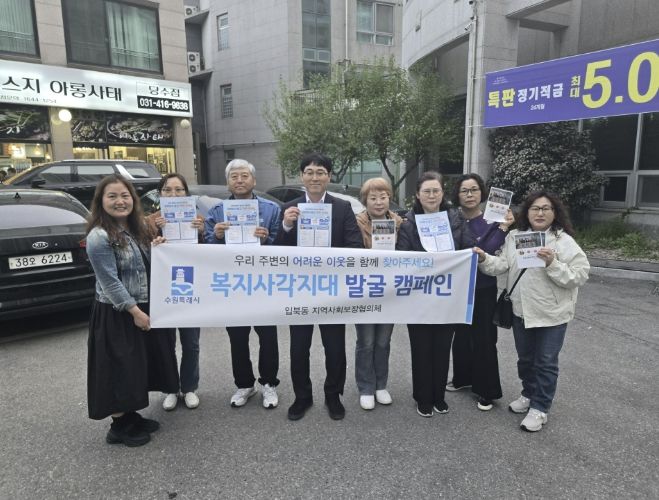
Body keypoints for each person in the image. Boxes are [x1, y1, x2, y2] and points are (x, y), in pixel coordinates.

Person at [474, 191, 589, 432]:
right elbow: (502, 265)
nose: (540, 213)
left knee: (545, 362)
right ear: (526, 212)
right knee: (525, 359)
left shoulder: (563, 241)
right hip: (521, 311)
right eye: (535, 208)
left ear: (555, 213)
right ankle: (528, 393)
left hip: (552, 314)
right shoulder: (515, 237)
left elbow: (579, 275)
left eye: (546, 208)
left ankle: (540, 407)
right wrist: (484, 259)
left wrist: (553, 263)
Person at [86, 175, 176, 447]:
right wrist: (135, 312)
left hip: (140, 305)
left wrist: (157, 249)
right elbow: (110, 282)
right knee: (117, 367)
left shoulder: (137, 228)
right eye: (112, 196)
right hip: (117, 312)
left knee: (133, 367)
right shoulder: (99, 236)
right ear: (101, 201)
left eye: (125, 195)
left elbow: (143, 266)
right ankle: (118, 426)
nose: (120, 201)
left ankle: (130, 415)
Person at [274, 153, 363, 421]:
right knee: (298, 348)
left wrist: (329, 260)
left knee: (334, 348)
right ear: (302, 176)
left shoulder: (342, 207)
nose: (315, 177)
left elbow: (355, 245)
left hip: (331, 288)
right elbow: (277, 252)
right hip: (300, 288)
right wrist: (287, 225)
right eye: (310, 172)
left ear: (329, 176)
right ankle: (302, 397)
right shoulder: (289, 208)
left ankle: (333, 395)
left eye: (320, 172)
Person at [204, 159, 283, 409]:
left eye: (244, 176)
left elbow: (283, 246)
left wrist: (267, 238)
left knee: (268, 336)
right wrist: (216, 236)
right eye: (234, 176)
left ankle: (269, 383)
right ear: (228, 182)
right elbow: (206, 247)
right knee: (237, 338)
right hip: (233, 284)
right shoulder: (217, 211)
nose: (239, 180)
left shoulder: (271, 209)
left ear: (254, 180)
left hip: (263, 283)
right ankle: (244, 384)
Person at [396, 171, 472, 418]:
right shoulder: (408, 223)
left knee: (442, 347)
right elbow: (402, 256)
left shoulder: (456, 219)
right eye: (426, 191)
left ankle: (438, 395)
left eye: (436, 190)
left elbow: (467, 248)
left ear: (442, 193)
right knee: (421, 348)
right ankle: (422, 397)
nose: (431, 195)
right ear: (418, 195)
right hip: (418, 296)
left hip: (447, 294)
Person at [447, 174, 515, 411]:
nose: (469, 195)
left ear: (482, 193)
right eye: (464, 190)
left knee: (484, 339)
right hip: (456, 288)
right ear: (457, 195)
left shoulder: (494, 220)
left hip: (483, 287)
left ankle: (487, 390)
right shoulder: (451, 220)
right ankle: (462, 378)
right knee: (460, 336)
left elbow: (485, 251)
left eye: (474, 190)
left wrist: (503, 227)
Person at [146, 173, 204, 411]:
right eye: (168, 190)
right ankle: (170, 387)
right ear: (160, 194)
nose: (173, 194)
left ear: (186, 193)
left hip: (190, 288)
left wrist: (201, 232)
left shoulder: (198, 219)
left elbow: (210, 254)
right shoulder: (150, 221)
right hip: (163, 290)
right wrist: (155, 238)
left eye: (179, 190)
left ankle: (189, 387)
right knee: (165, 343)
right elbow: (143, 256)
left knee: (191, 343)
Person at [354, 177, 402, 410]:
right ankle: (365, 387)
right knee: (366, 341)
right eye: (373, 198)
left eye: (383, 197)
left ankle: (381, 385)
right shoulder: (356, 222)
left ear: (389, 198)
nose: (379, 202)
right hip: (364, 289)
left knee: (383, 341)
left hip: (389, 291)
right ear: (365, 201)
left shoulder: (400, 223)